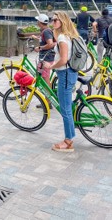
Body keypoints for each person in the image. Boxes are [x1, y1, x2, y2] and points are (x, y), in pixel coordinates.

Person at [43, 11, 80, 152]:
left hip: (65, 74)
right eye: (52, 20)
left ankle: (68, 141)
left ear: (63, 22)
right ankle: (70, 134)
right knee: (67, 106)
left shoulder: (63, 39)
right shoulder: (66, 36)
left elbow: (63, 60)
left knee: (65, 109)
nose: (53, 23)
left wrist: (51, 66)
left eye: (55, 20)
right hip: (69, 73)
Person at [32, 14, 56, 82]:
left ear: (40, 22)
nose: (37, 22)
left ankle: (49, 92)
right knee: (41, 76)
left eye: (37, 21)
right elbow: (44, 40)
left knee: (45, 78)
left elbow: (50, 44)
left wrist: (40, 48)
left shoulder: (46, 31)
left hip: (46, 58)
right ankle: (45, 92)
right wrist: (36, 38)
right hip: (46, 57)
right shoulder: (45, 30)